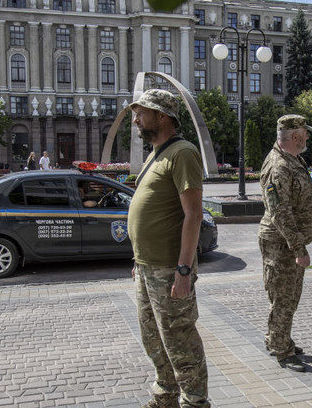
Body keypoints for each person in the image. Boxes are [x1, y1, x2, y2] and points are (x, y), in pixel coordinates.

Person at [127, 89, 209, 408]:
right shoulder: (157, 153)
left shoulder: (182, 153)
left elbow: (194, 214)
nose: (136, 119)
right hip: (147, 266)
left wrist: (184, 270)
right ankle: (166, 397)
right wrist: (138, 260)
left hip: (170, 269)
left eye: (141, 113)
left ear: (162, 116)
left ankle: (195, 402)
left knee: (180, 342)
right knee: (154, 339)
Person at [258, 114, 312, 373]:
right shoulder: (279, 166)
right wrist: (298, 248)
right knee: (283, 297)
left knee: (289, 296)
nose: (307, 138)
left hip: (289, 242)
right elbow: (279, 212)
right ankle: (282, 350)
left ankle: (279, 338)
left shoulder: (292, 159)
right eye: (305, 134)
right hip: (281, 243)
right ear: (295, 136)